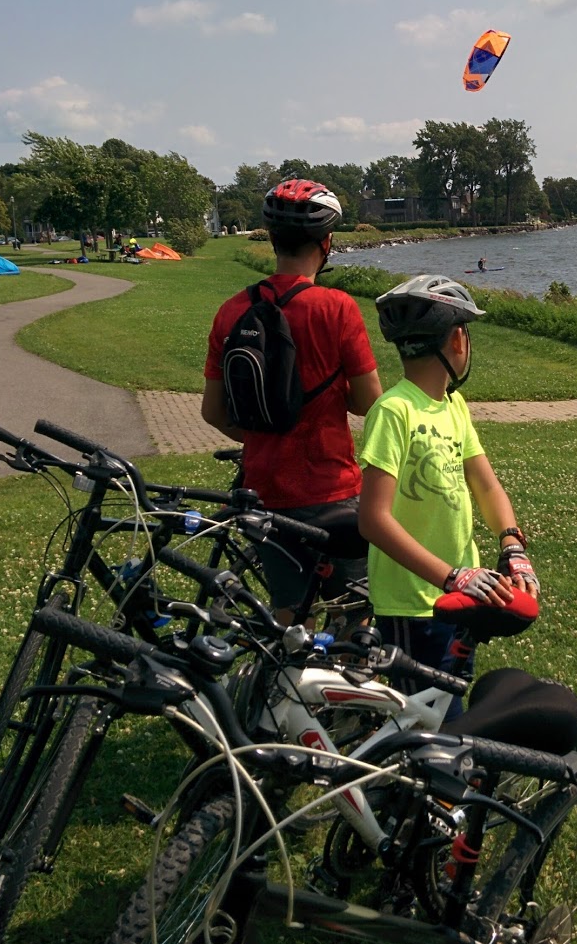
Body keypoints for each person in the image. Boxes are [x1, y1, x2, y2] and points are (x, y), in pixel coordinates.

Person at [202, 178, 382, 624]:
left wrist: (267, 437)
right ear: (327, 242)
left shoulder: (231, 310)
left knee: (289, 620)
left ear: (272, 239)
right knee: (352, 620)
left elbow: (212, 411)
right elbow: (368, 403)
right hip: (333, 492)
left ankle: (284, 689)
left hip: (266, 493)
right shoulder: (337, 308)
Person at [357, 274, 538, 701]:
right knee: (425, 720)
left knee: (448, 701)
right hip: (413, 602)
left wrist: (512, 544)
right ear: (458, 340)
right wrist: (451, 576)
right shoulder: (393, 410)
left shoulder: (453, 406)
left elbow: (486, 484)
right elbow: (373, 519)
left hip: (465, 593)